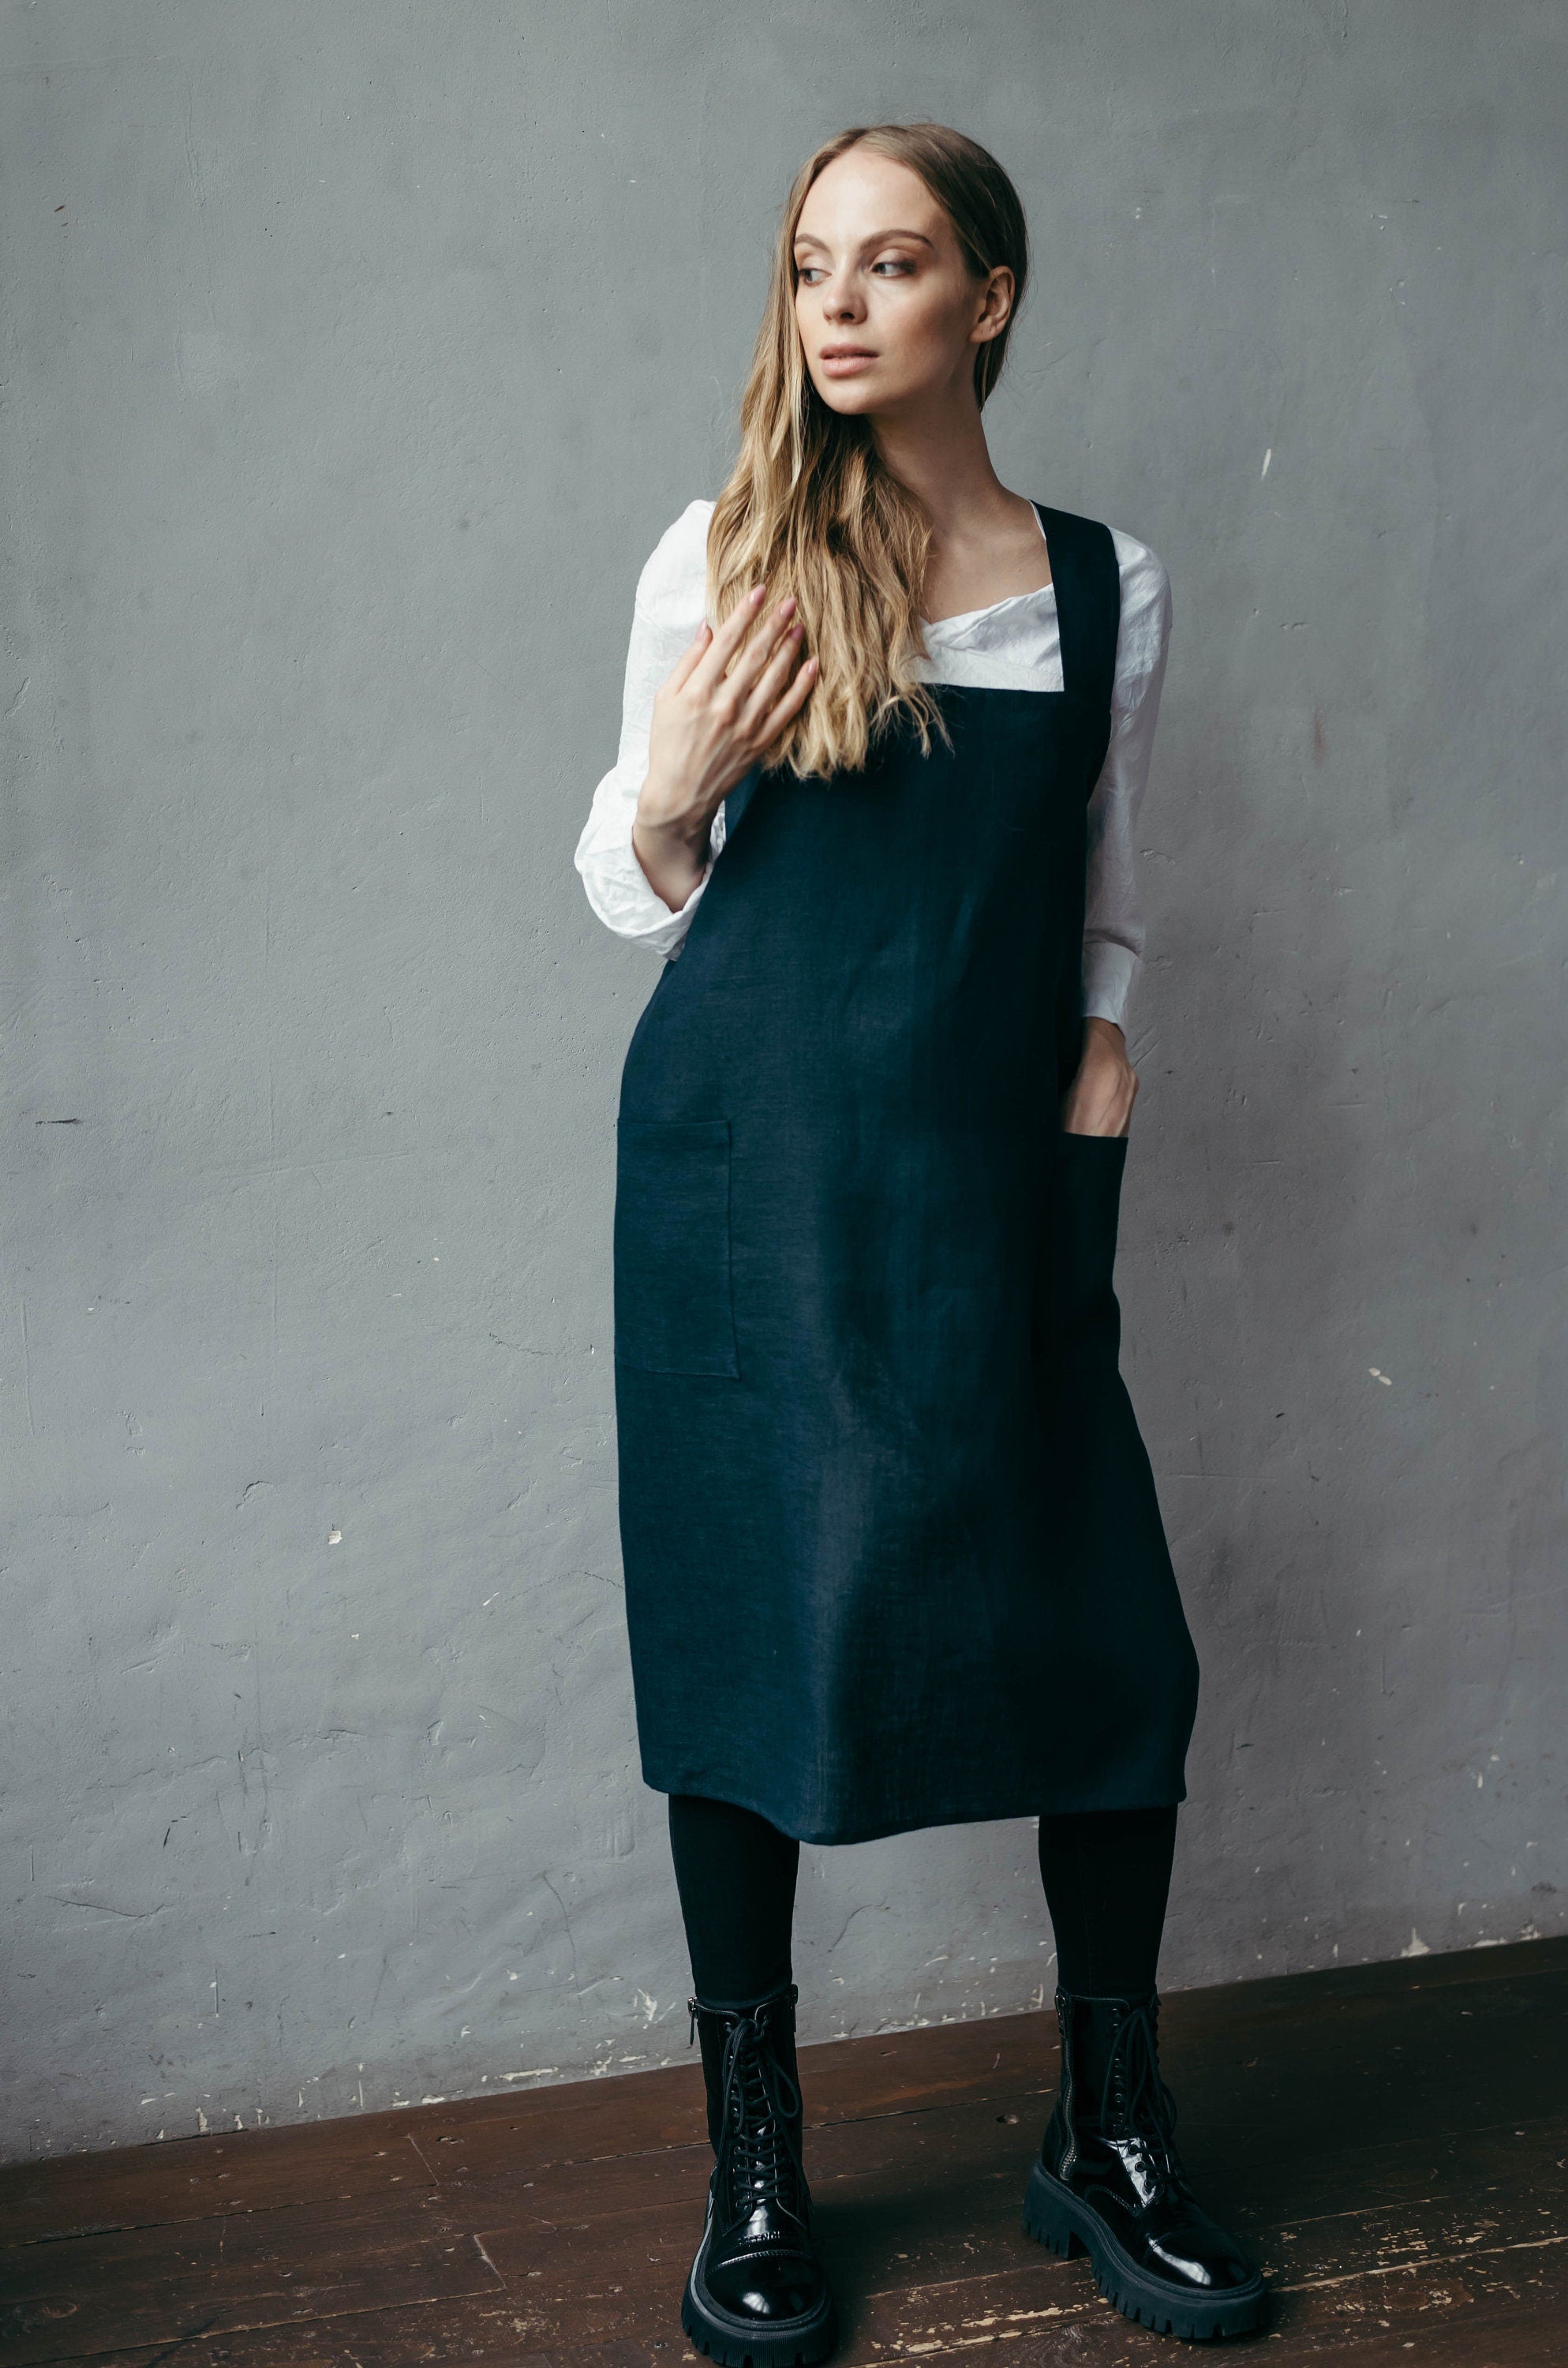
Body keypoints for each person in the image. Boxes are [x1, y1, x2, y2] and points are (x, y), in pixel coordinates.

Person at [574, 120, 1267, 2362]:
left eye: (891, 265)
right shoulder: (729, 552)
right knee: (746, 1639)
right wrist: (675, 778)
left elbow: (1108, 891)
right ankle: (755, 2161)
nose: (841, 305)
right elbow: (626, 882)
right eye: (808, 269)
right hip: (743, 1175)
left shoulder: (1098, 586)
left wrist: (1095, 1067)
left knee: (1103, 1647)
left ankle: (1108, 2124)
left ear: (991, 294)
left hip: (989, 1165)